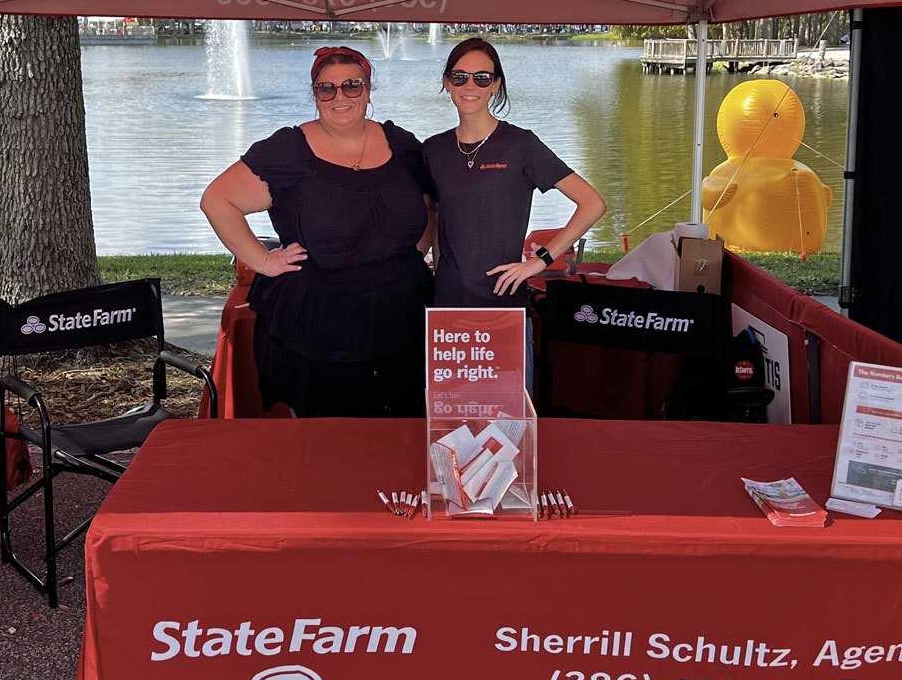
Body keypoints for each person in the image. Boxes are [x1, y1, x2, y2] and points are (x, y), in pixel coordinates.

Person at [200, 46, 435, 418]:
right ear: (315, 95)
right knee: (322, 441)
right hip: (319, 320)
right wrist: (263, 260)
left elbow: (428, 204)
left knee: (399, 432)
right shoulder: (289, 151)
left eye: (351, 86)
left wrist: (412, 254)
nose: (339, 96)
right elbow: (217, 200)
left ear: (368, 90)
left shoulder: (402, 145)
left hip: (400, 315)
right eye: (327, 89)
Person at [423, 37, 605, 308]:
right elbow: (435, 222)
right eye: (460, 76)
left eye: (482, 78)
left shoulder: (521, 145)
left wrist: (540, 260)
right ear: (447, 82)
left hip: (504, 300)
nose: (470, 86)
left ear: (496, 85)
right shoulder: (433, 149)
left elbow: (592, 204)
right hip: (448, 300)